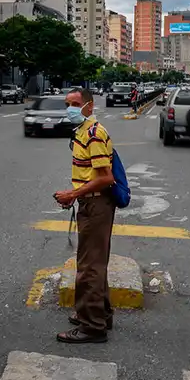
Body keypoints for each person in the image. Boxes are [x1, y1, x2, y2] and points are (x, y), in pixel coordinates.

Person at [54, 87, 116, 344]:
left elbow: (106, 178)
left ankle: (92, 326)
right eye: (67, 103)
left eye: (75, 103)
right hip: (90, 203)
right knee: (94, 262)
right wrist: (76, 195)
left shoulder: (93, 133)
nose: (70, 108)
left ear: (89, 106)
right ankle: (101, 313)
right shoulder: (81, 131)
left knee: (89, 267)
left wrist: (72, 194)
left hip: (96, 205)